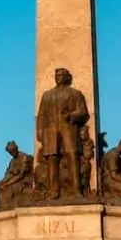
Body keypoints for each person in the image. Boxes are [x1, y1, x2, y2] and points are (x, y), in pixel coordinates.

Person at [36, 68, 89, 198]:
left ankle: (77, 190)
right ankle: (54, 191)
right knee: (52, 159)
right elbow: (41, 115)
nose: (58, 77)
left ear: (67, 77)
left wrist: (71, 115)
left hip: (69, 128)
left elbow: (83, 112)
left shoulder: (75, 94)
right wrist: (39, 130)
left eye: (61, 75)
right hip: (50, 130)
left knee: (72, 156)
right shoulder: (47, 95)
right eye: (56, 75)